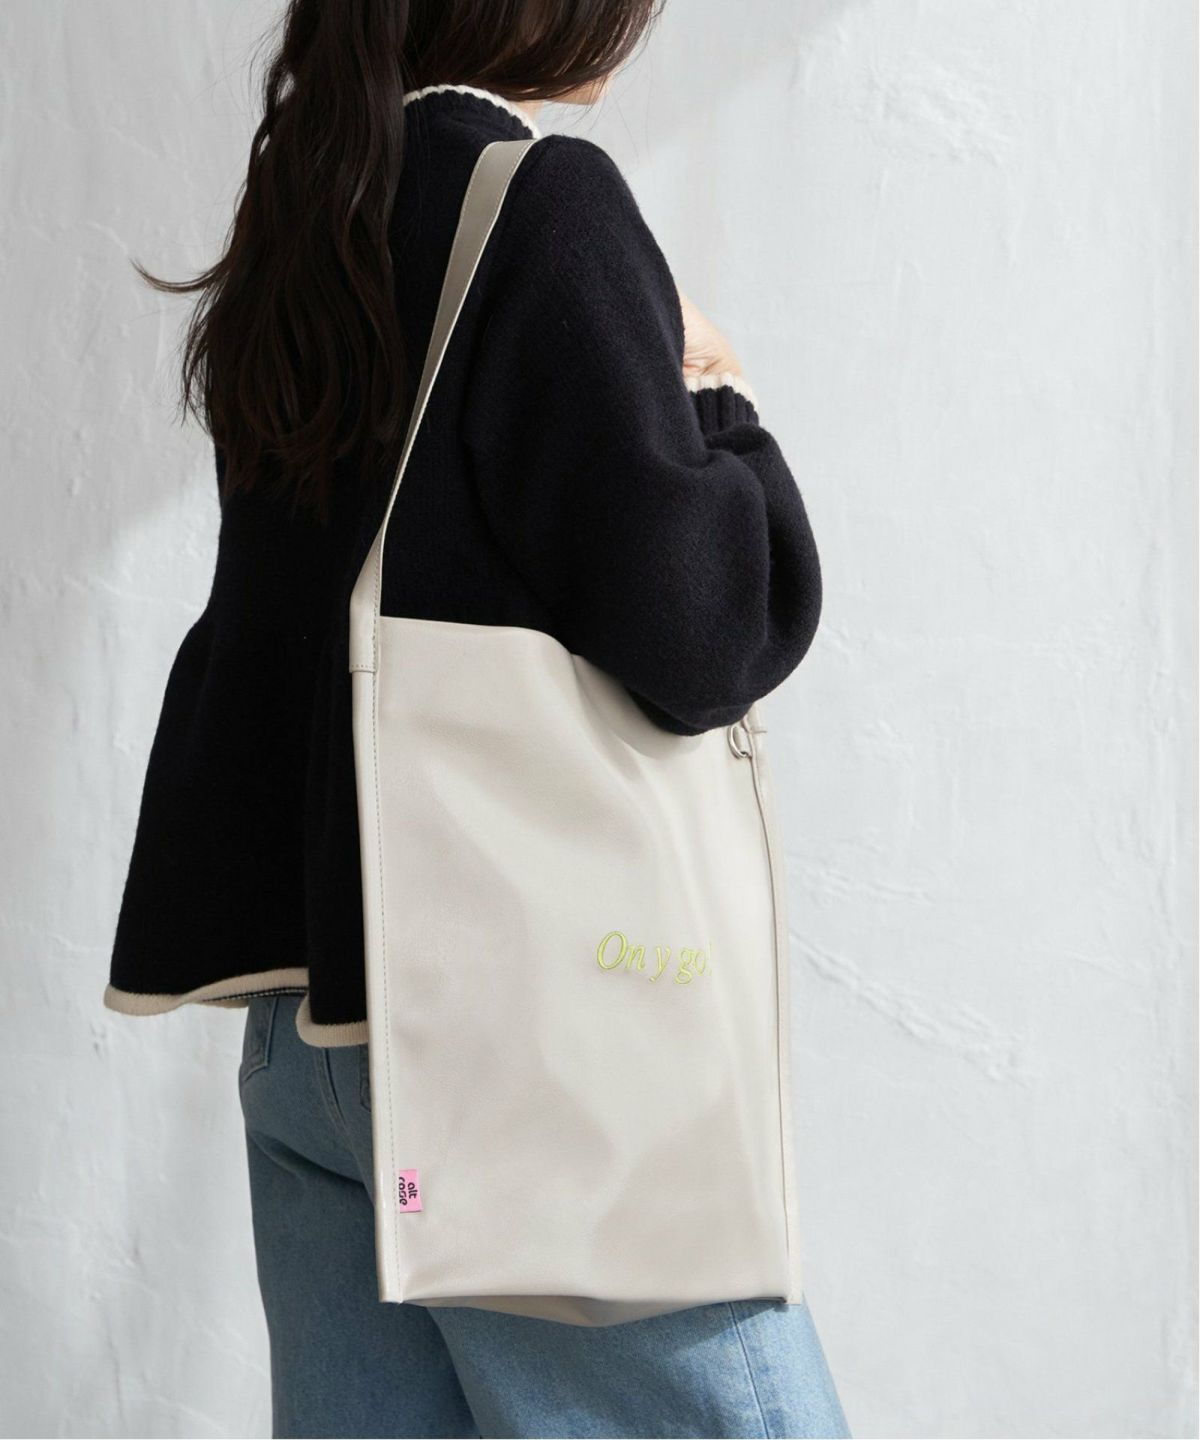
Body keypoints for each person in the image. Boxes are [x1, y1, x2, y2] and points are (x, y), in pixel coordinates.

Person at [106, 1, 849, 1435]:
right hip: (512, 1045)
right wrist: (718, 399)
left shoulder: (308, 204)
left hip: (309, 1036)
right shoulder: (542, 202)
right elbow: (706, 635)